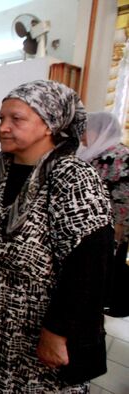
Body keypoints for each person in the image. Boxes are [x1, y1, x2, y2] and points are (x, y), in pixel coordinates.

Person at [0, 80, 114, 393]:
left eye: (17, 119)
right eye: (1, 118)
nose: (3, 127)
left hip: (34, 330)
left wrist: (57, 332)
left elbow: (90, 263)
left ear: (50, 124)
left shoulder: (73, 177)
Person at [78, 111, 129, 317]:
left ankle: (108, 303)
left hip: (112, 225)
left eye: (86, 130)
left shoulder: (115, 157)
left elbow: (123, 197)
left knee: (106, 269)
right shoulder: (100, 152)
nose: (82, 135)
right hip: (100, 224)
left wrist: (119, 227)